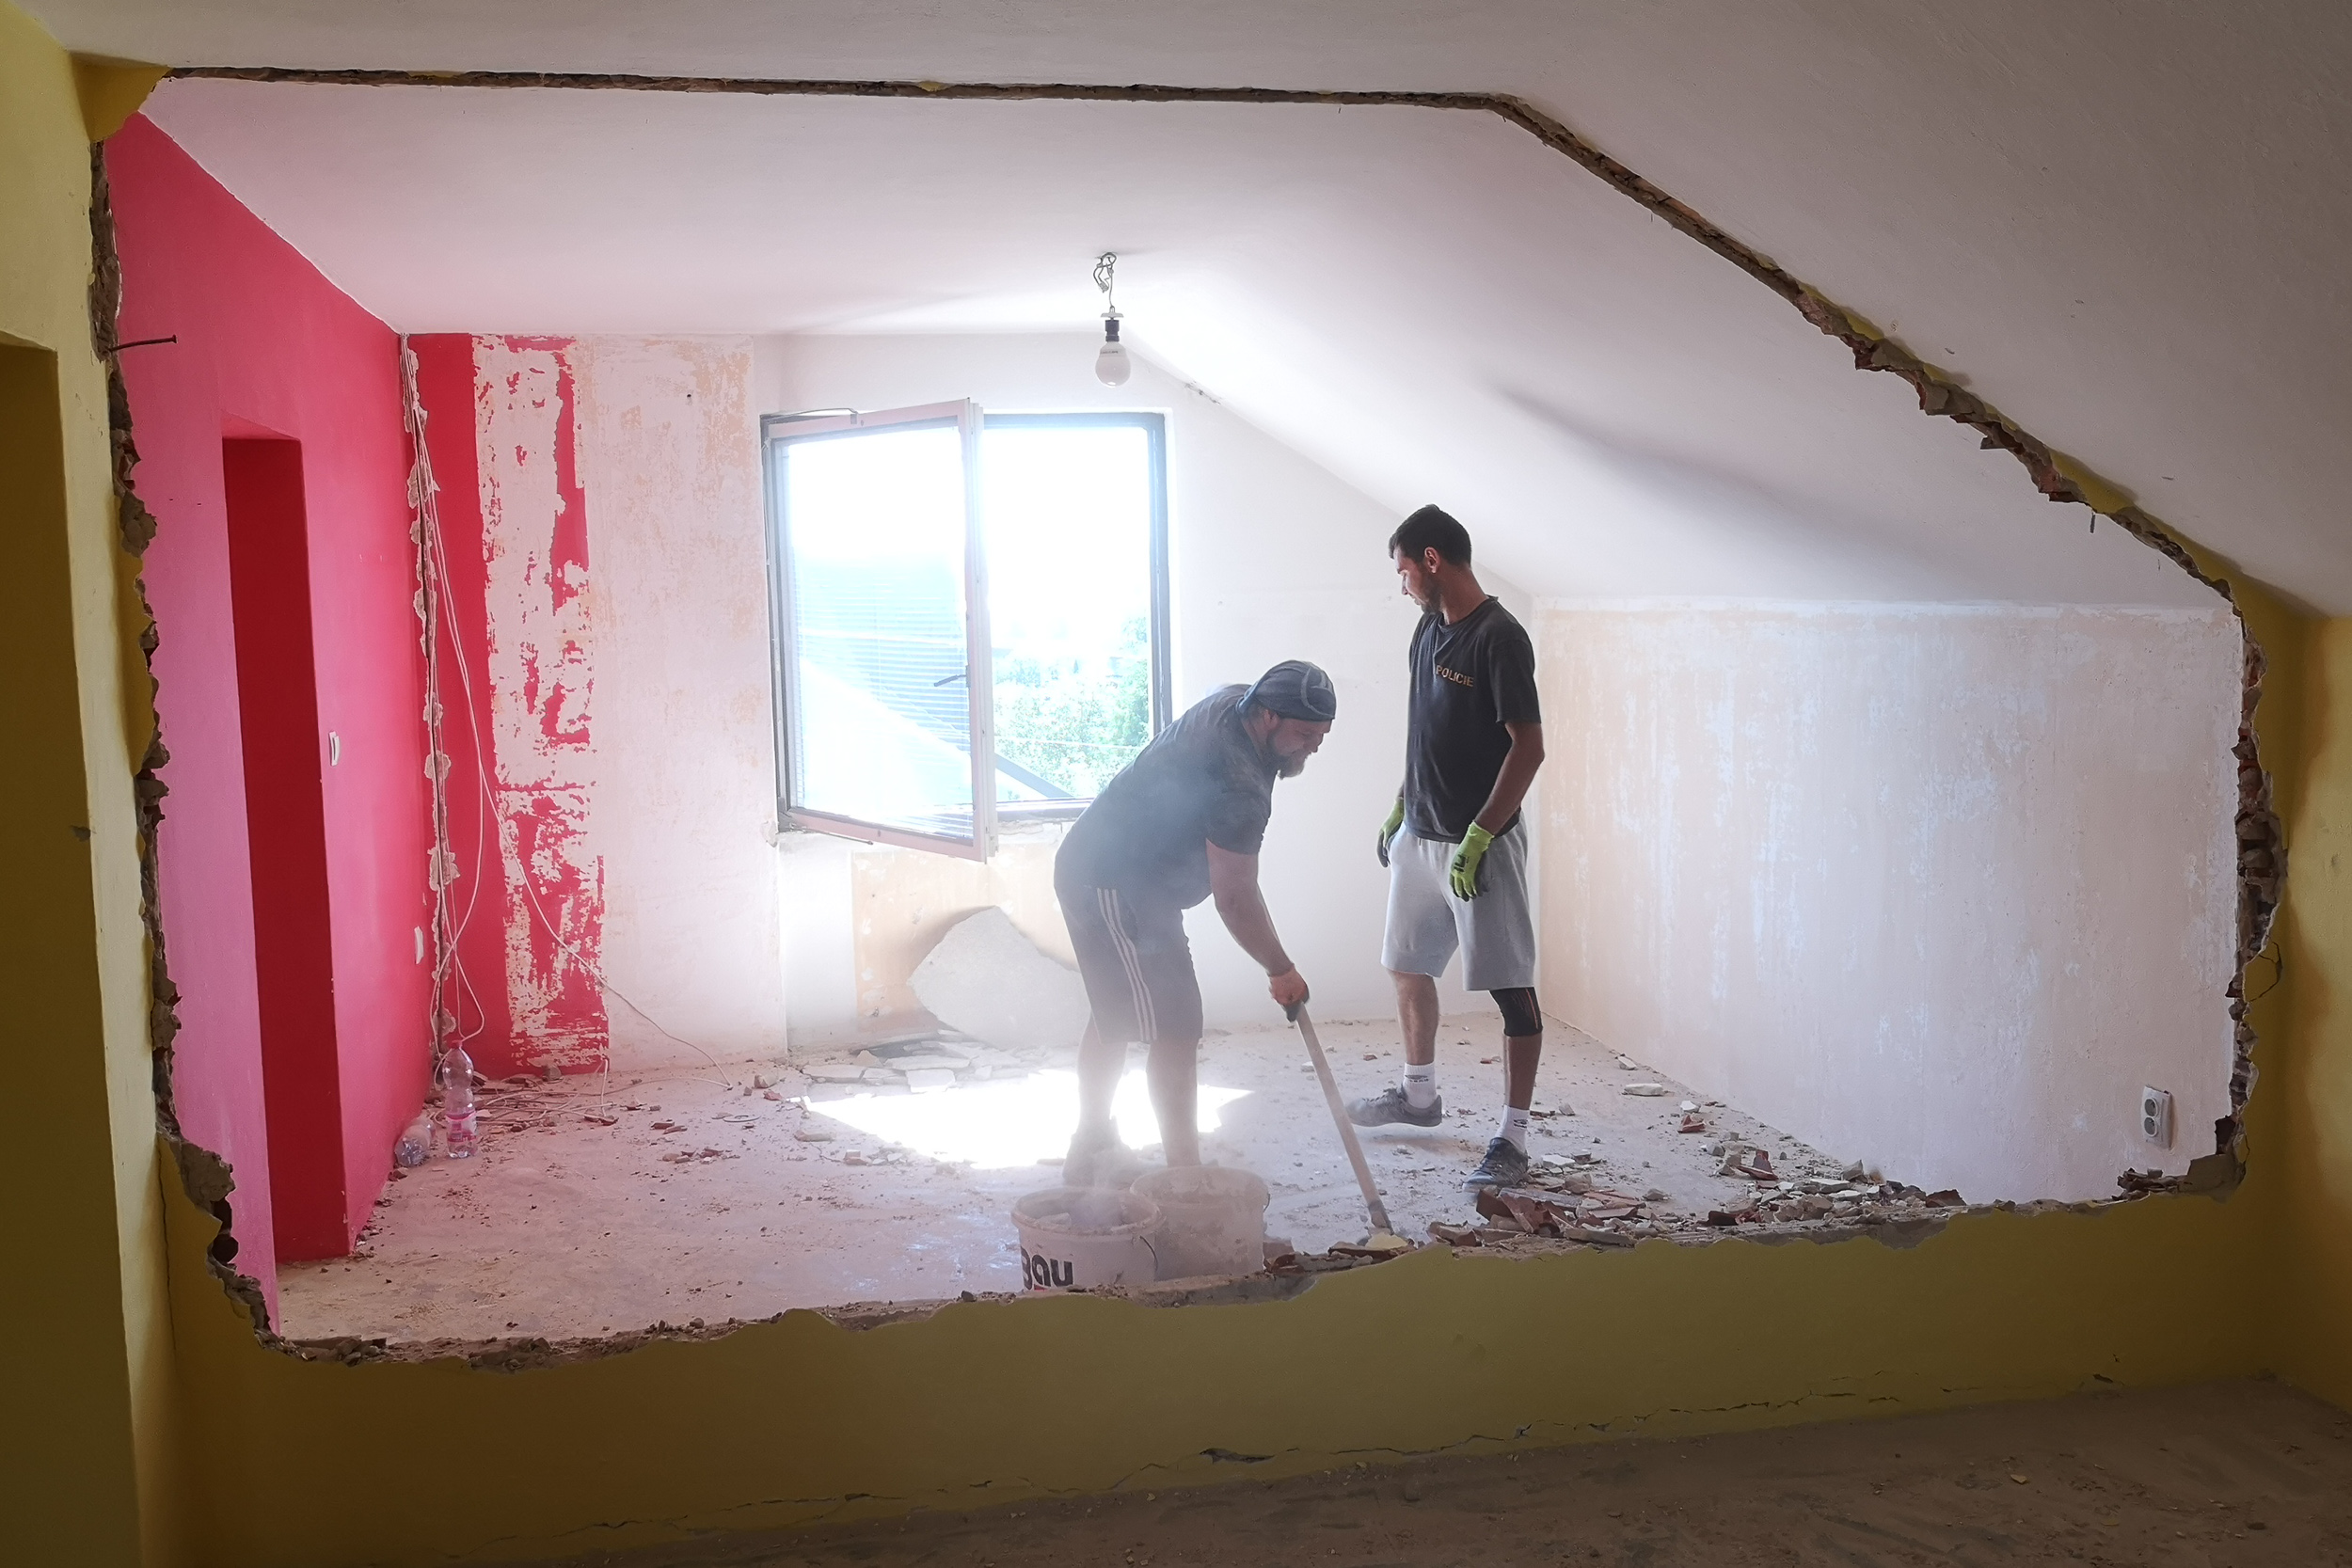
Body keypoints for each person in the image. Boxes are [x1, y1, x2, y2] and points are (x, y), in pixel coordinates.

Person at [1055, 659, 1336, 1183]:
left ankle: (1091, 1146)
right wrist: (1280, 969)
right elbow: (1235, 897)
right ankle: (1184, 1177)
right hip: (1116, 883)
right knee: (1177, 1025)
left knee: (1118, 1010)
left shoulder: (1234, 702)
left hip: (1106, 870)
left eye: (1322, 735)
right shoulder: (1240, 787)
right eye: (1305, 734)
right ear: (1268, 716)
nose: (1315, 746)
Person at [1350, 505, 1549, 1189]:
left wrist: (1481, 834)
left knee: (1512, 993)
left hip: (1479, 848)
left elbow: (1529, 748)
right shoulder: (1427, 627)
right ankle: (1418, 1095)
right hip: (1422, 833)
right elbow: (1424, 728)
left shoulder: (1500, 638)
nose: (1402, 582)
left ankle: (1513, 1139)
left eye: (1404, 569)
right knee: (1406, 966)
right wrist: (1402, 802)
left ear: (1432, 560)